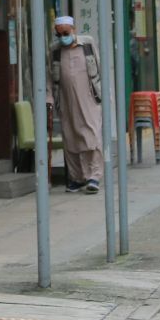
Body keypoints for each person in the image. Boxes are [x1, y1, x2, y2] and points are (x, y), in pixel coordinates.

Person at [49, 16, 103, 194]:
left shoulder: (87, 44)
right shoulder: (54, 50)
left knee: (90, 135)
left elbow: (99, 67)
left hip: (89, 97)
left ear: (73, 29)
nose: (63, 36)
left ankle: (94, 176)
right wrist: (49, 99)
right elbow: (50, 77)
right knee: (70, 138)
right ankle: (77, 178)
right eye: (59, 33)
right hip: (65, 99)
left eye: (66, 32)